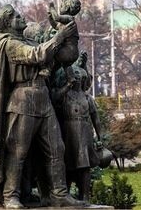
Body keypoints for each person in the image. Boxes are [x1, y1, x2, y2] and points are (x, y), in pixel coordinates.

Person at [0, 4, 84, 209]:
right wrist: (58, 37)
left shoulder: (28, 41)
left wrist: (70, 31)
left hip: (42, 97)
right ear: (6, 24)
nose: (21, 17)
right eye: (15, 16)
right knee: (18, 151)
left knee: (57, 148)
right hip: (22, 99)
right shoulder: (8, 43)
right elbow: (36, 55)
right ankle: (10, 195)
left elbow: (67, 56)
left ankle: (59, 194)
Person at [51, 65, 102, 201]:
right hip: (68, 131)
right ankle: (65, 195)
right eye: (75, 74)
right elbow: (54, 98)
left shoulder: (88, 98)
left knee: (84, 165)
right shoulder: (65, 95)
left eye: (79, 75)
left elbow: (96, 119)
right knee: (67, 163)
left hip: (84, 132)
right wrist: (68, 85)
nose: (77, 77)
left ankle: (84, 195)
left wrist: (99, 137)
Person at [46, 0, 81, 82]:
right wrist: (50, 16)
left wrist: (52, 8)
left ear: (67, 7)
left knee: (51, 54)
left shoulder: (69, 18)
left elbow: (57, 18)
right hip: (74, 53)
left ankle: (46, 70)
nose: (60, 8)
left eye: (61, 6)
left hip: (67, 51)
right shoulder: (66, 23)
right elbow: (55, 25)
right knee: (66, 64)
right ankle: (71, 77)